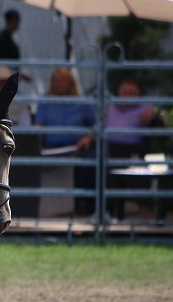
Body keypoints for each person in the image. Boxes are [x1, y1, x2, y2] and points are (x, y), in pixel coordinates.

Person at [34, 67, 96, 216]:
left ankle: (80, 201)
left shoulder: (81, 102)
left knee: (91, 161)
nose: (59, 84)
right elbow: (38, 125)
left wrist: (89, 136)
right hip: (50, 147)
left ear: (70, 83)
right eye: (56, 81)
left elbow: (96, 124)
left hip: (77, 148)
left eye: (63, 81)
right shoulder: (45, 101)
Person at [104, 78, 157, 220]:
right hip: (107, 146)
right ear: (119, 93)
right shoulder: (110, 107)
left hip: (131, 149)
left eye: (132, 93)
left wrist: (154, 111)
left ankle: (110, 209)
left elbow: (160, 111)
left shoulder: (145, 107)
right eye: (125, 92)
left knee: (113, 162)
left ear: (138, 95)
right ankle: (100, 208)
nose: (128, 96)